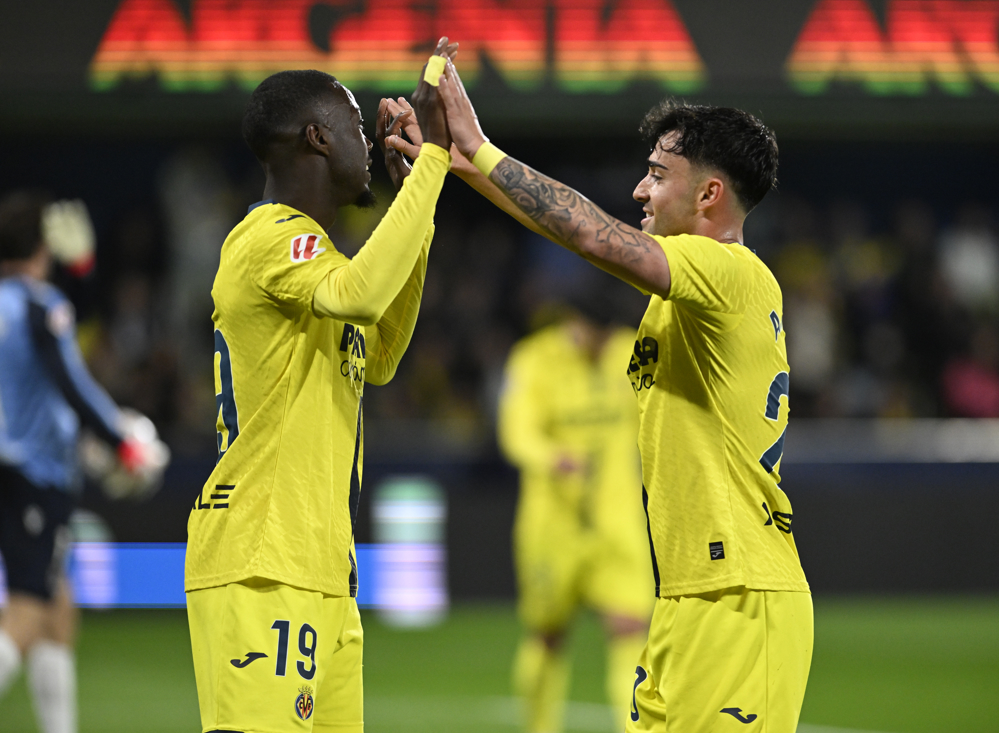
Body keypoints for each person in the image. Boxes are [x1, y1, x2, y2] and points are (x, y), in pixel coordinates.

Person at [394, 64, 813, 732]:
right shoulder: (691, 296)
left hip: (738, 596)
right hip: (689, 594)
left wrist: (478, 145)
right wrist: (451, 163)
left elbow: (592, 234)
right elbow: (574, 234)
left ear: (709, 193)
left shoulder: (732, 272)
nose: (640, 189)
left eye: (657, 174)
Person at [183, 39, 457, 733]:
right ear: (317, 137)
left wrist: (416, 203)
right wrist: (432, 160)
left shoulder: (317, 264)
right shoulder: (269, 237)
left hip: (323, 567)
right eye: (355, 124)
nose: (369, 141)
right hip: (262, 559)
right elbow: (361, 295)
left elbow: (381, 352)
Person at [0, 191, 167, 733]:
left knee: (56, 600)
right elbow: (70, 380)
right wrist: (120, 439)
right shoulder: (39, 307)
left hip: (10, 467)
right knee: (27, 608)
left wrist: (80, 273)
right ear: (42, 246)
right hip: (32, 470)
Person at [499, 276, 654, 733]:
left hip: (617, 521)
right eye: (594, 330)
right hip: (553, 525)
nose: (602, 341)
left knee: (630, 628)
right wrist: (552, 458)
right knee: (548, 635)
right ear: (573, 320)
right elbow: (516, 432)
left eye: (608, 331)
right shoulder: (533, 359)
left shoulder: (629, 350)